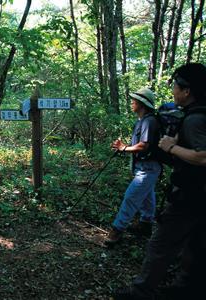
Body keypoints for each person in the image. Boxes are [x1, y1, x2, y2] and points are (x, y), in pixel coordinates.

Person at [113, 63, 206, 300]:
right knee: (194, 244)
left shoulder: (192, 120)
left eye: (176, 86)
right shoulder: (193, 115)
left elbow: (202, 156)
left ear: (187, 91)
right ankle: (186, 286)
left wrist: (171, 147)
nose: (173, 90)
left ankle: (141, 290)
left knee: (160, 244)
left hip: (189, 194)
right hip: (194, 194)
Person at [105, 88, 161, 245]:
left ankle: (117, 230)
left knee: (131, 197)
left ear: (142, 103)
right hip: (144, 167)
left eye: (134, 100)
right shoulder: (141, 121)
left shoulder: (149, 121)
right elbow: (139, 145)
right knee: (147, 196)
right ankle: (145, 225)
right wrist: (123, 147)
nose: (131, 102)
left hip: (148, 168)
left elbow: (144, 146)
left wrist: (124, 148)